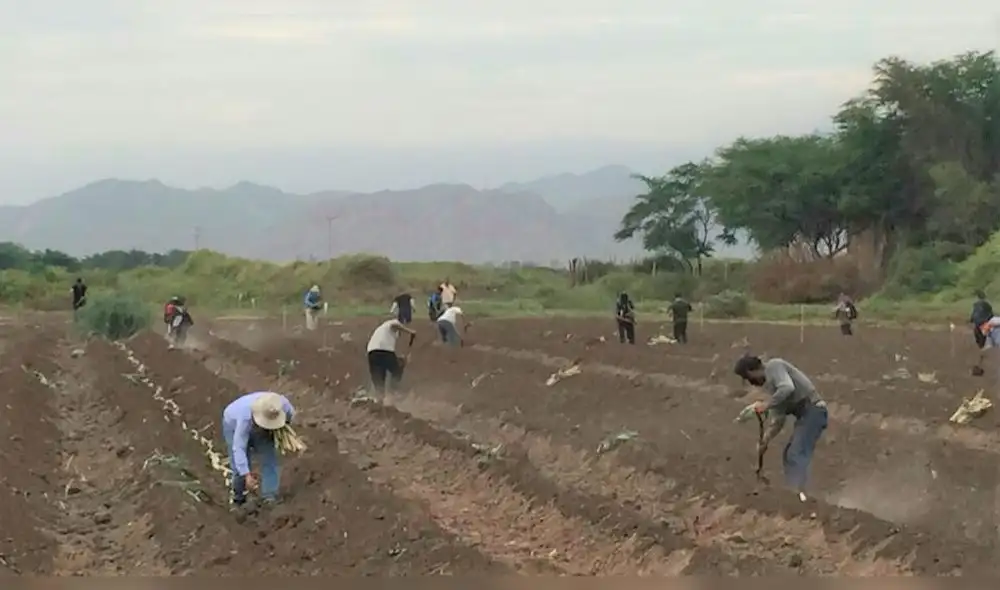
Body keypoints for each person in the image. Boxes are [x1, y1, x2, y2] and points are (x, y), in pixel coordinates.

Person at [734, 355, 828, 501]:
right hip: (806, 416)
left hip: (814, 411)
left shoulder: (774, 366)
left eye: (747, 377)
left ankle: (801, 494)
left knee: (796, 453)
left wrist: (767, 404)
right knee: (789, 454)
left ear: (752, 371)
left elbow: (787, 388)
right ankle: (796, 493)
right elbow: (779, 419)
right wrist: (765, 440)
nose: (750, 381)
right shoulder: (772, 388)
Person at [222, 391, 295, 507]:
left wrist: (281, 429)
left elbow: (290, 416)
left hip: (259, 426)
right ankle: (239, 498)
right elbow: (239, 448)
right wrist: (246, 475)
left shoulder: (282, 406)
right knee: (238, 466)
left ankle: (269, 497)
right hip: (232, 423)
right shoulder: (244, 418)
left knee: (269, 458)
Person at [366, 317, 417, 393]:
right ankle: (395, 391)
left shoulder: (382, 330)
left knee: (379, 377)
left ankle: (380, 398)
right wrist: (410, 331)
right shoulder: (393, 322)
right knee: (397, 370)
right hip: (384, 350)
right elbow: (394, 325)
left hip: (372, 353)